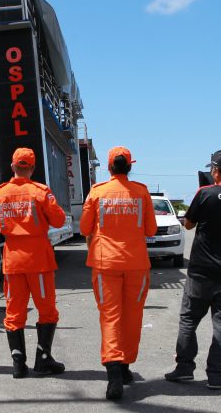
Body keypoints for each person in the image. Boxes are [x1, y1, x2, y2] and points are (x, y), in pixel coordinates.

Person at [164, 150, 221, 389]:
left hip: (201, 272)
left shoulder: (205, 194)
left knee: (188, 320)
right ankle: (215, 375)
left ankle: (184, 368)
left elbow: (188, 224)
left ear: (215, 171)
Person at [0, 147, 67, 379]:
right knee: (47, 310)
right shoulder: (41, 192)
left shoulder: (0, 193)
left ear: (12, 167)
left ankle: (18, 364)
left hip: (12, 259)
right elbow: (59, 220)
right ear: (32, 167)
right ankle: (43, 359)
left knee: (14, 312)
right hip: (38, 259)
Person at [79, 146, 157, 400]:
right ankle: (125, 367)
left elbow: (84, 227)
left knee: (110, 317)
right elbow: (151, 230)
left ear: (110, 167)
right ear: (129, 166)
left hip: (105, 264)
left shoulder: (98, 192)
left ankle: (113, 371)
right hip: (136, 264)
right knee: (133, 316)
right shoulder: (141, 193)